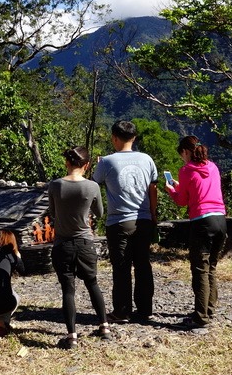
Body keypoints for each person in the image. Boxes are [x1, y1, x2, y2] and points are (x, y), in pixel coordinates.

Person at [92, 120, 158, 323]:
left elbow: (94, 185)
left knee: (121, 268)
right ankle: (145, 309)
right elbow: (153, 189)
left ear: (114, 138)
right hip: (144, 219)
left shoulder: (106, 162)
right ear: (134, 138)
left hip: (118, 222)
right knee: (143, 265)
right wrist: (153, 215)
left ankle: (122, 311)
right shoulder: (147, 159)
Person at [48, 145, 110, 349]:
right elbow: (100, 213)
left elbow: (53, 213)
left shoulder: (55, 185)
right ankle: (104, 326)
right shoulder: (92, 187)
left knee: (68, 290)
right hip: (84, 242)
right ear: (87, 164)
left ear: (67, 162)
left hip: (62, 244)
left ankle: (72, 335)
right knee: (92, 283)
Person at [164, 135, 227, 327]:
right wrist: (180, 186)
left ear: (185, 152)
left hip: (202, 222)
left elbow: (183, 200)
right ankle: (209, 309)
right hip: (221, 220)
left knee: (200, 270)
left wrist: (171, 190)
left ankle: (200, 317)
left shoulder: (186, 170)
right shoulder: (213, 167)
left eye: (181, 154)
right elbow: (200, 188)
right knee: (211, 268)